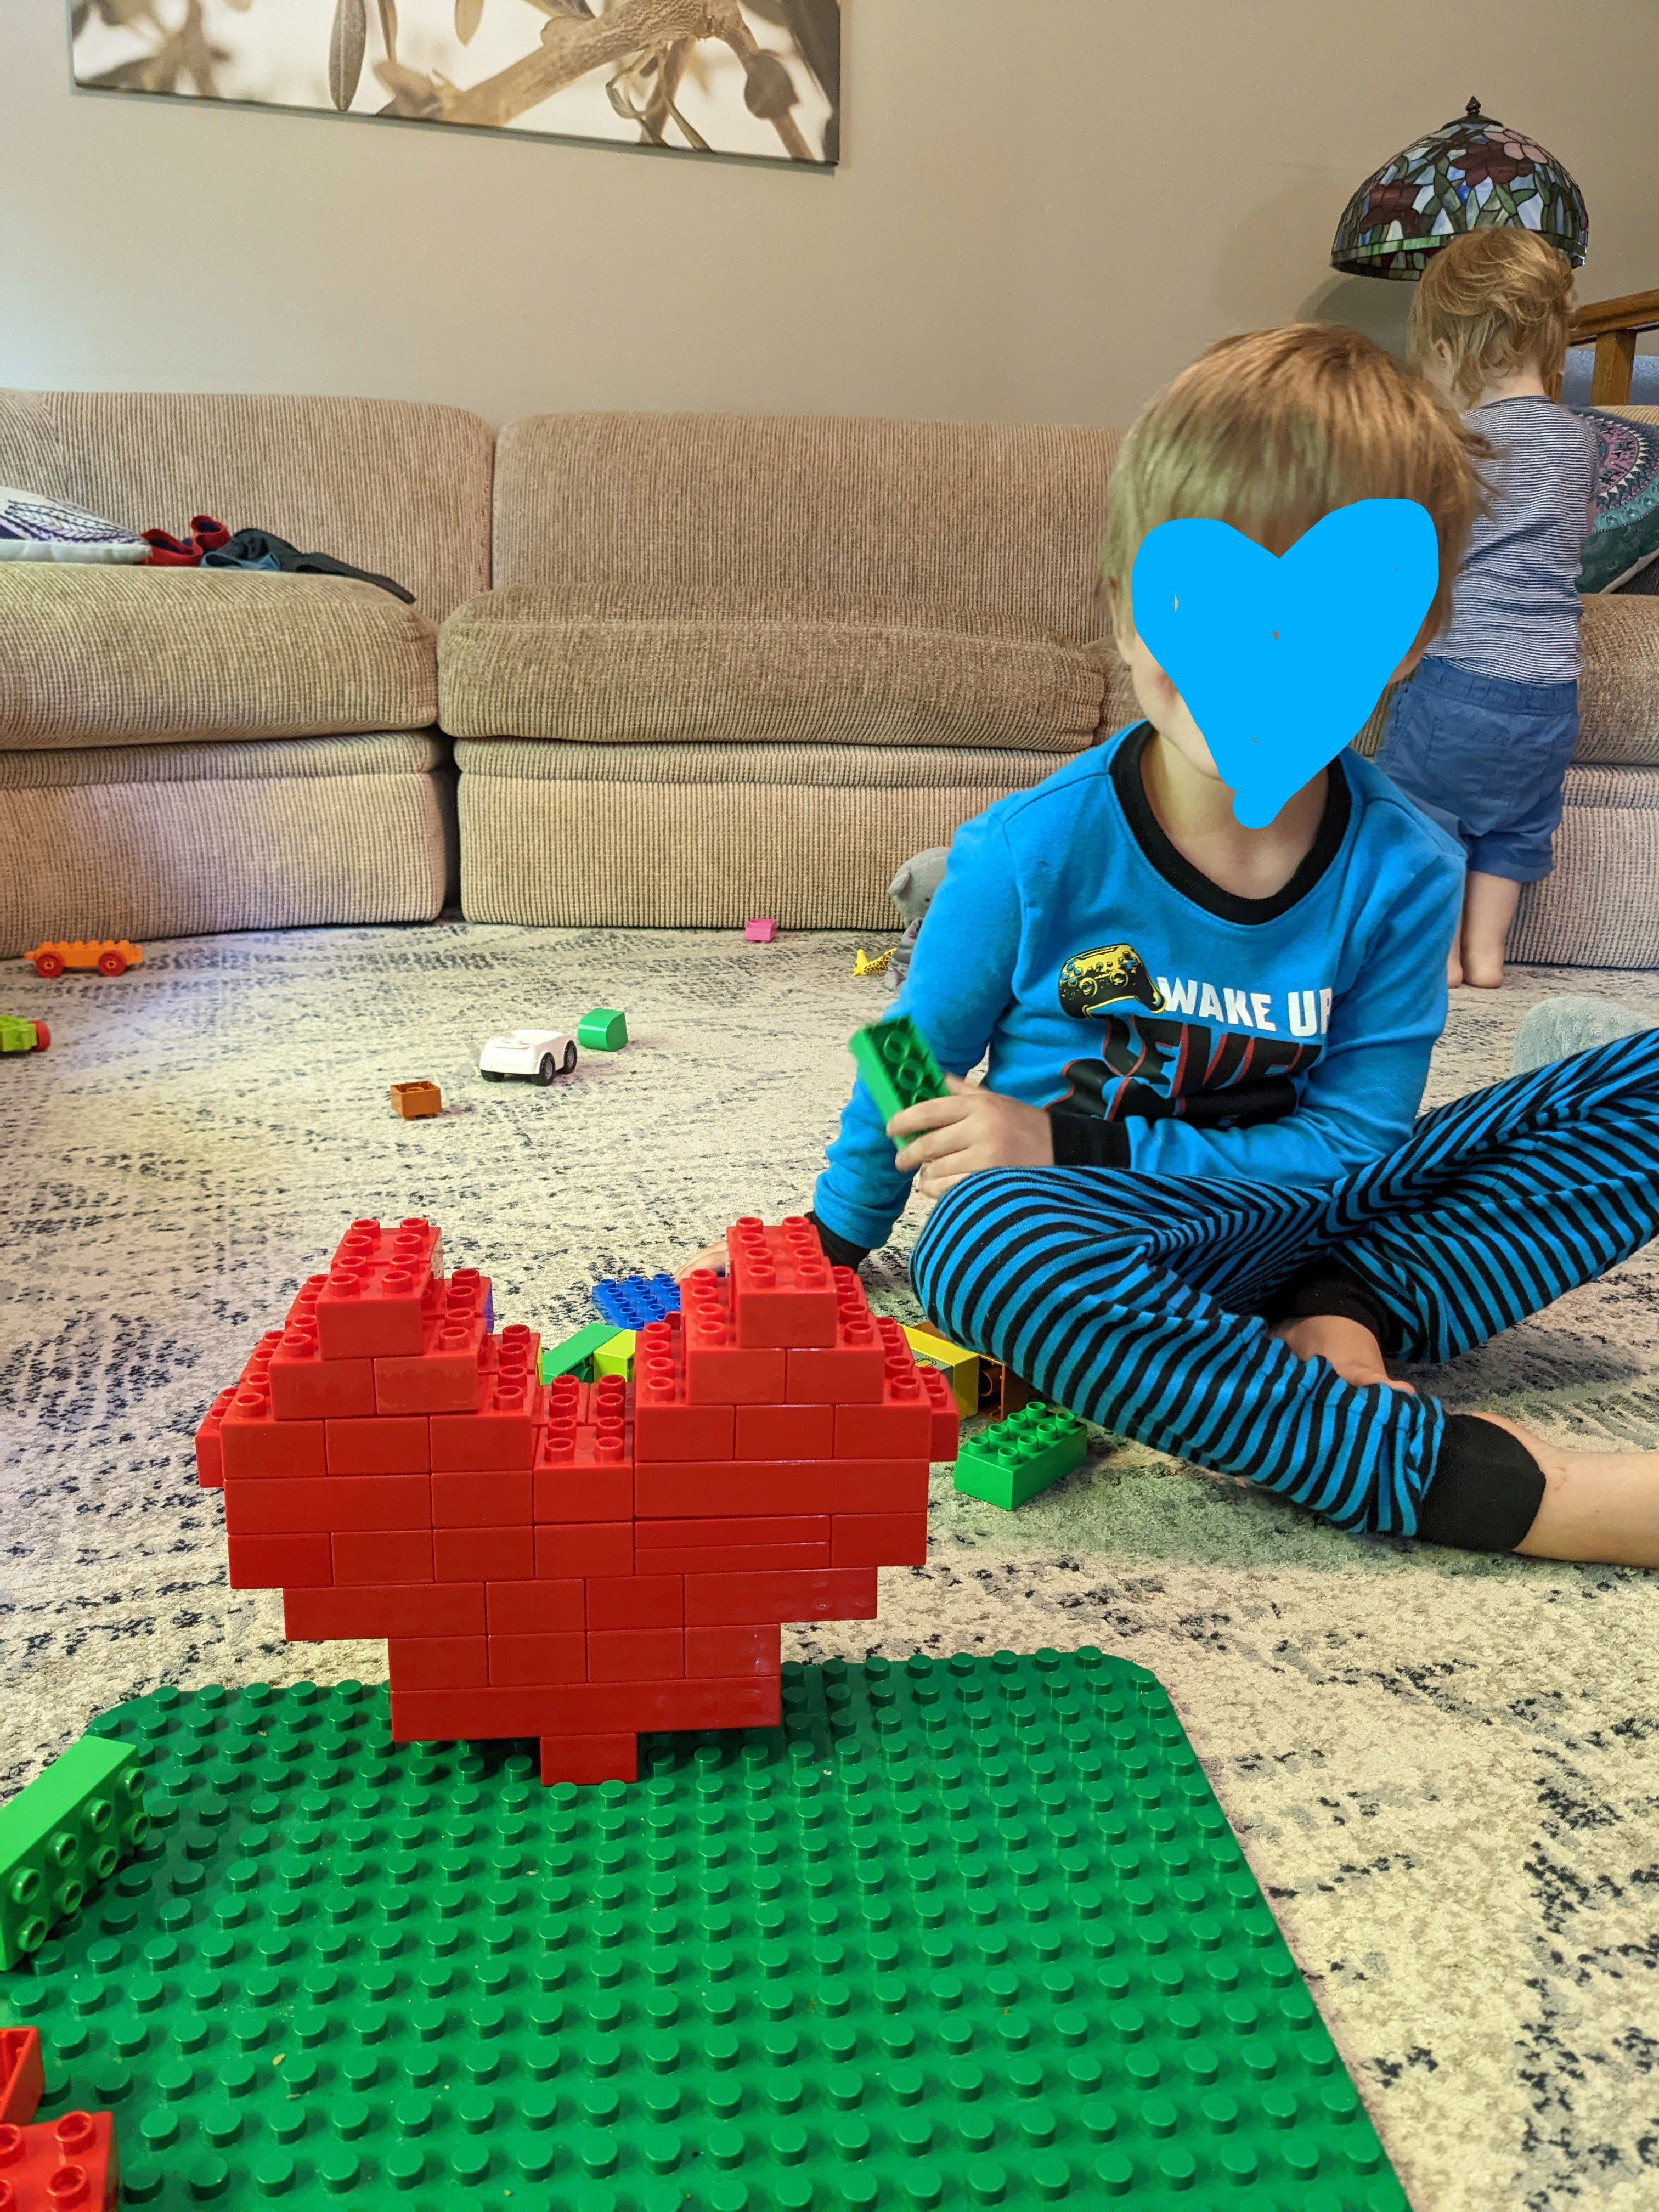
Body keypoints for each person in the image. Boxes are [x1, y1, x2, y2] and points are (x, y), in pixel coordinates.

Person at [684, 323, 1659, 1571]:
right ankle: (1467, 1482)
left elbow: (1356, 1147)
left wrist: (1325, 1278)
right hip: (1095, 1227)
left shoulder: (1407, 866)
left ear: (1410, 640)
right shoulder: (1026, 853)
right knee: (982, 1248)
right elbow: (905, 1054)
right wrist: (831, 1241)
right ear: (1125, 613)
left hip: (1316, 1217)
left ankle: (1335, 1314)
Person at [1373, 229, 1599, 989]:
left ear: (1448, 350)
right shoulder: (1581, 441)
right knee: (1515, 828)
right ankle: (1486, 957)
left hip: (1461, 683)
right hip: (1552, 692)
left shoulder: (1458, 442)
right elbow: (1576, 533)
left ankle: (1436, 959)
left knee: (1423, 817)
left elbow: (1422, 554)